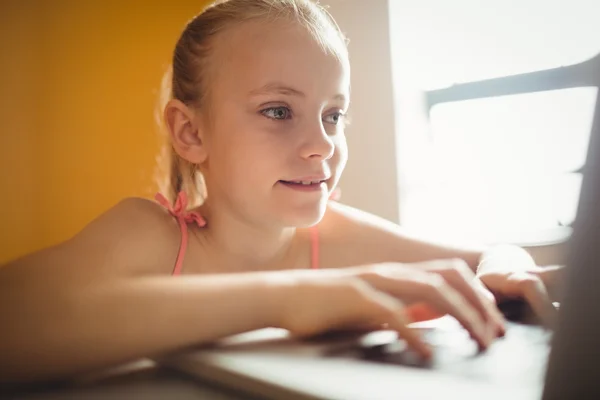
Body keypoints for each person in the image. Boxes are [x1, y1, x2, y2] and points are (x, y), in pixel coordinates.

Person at [0, 0, 562, 384]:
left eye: (334, 115)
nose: (321, 144)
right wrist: (287, 297)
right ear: (191, 132)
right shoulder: (152, 236)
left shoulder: (334, 238)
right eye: (278, 110)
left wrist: (506, 265)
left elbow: (482, 258)